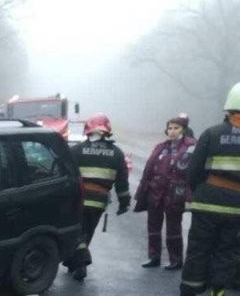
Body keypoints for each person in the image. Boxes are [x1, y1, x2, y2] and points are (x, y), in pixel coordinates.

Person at [175, 83, 240, 296]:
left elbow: (193, 172)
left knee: (198, 249)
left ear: (228, 108)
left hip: (206, 203)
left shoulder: (211, 133)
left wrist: (201, 191)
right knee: (226, 253)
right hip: (236, 209)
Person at [65, 113, 131, 280]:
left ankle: (79, 262)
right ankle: (74, 263)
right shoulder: (117, 153)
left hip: (77, 199)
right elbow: (122, 182)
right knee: (87, 232)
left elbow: (67, 176)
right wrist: (124, 202)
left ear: (87, 131)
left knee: (75, 232)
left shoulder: (76, 150)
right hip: (99, 201)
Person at [133, 115, 196, 269]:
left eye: (176, 128)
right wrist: (143, 190)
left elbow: (195, 172)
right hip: (155, 192)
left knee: (174, 227)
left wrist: (191, 194)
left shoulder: (191, 146)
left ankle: (176, 259)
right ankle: (154, 257)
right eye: (170, 128)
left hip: (175, 193)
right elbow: (148, 170)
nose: (172, 131)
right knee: (153, 226)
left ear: (184, 130)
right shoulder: (161, 147)